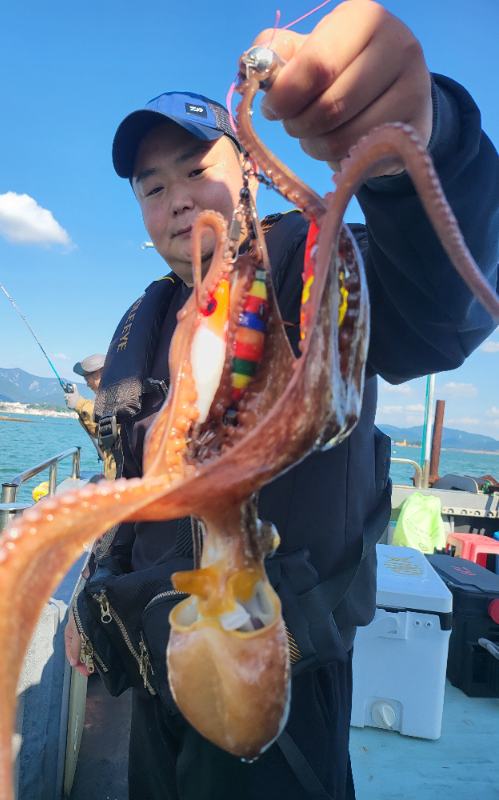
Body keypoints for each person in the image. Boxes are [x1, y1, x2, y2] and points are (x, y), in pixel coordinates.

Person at [65, 2, 499, 798]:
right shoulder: (146, 321)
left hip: (286, 679)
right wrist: (90, 596)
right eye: (153, 187)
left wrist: (427, 141)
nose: (177, 199)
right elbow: (124, 482)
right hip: (163, 669)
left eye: (196, 168)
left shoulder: (305, 266)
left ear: (249, 170)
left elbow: (434, 309)